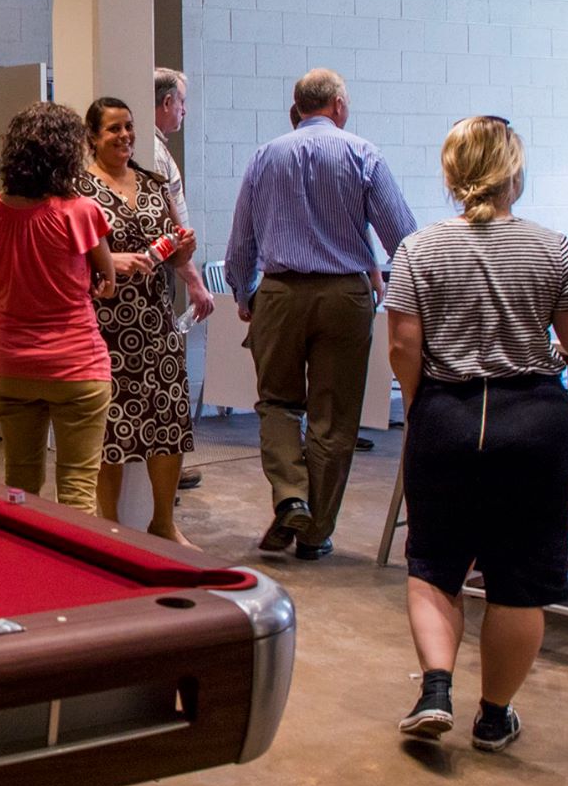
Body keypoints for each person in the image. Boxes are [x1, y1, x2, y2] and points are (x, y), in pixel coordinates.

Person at [386, 116, 568, 752]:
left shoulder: (419, 248)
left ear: (451, 174)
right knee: (520, 580)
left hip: (448, 417)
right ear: (515, 175)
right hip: (534, 423)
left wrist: (422, 407)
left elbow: (404, 345)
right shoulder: (554, 249)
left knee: (435, 565)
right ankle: (494, 715)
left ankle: (435, 688)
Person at [225, 68, 417, 560]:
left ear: (298, 108)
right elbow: (403, 237)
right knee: (334, 418)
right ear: (337, 105)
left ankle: (291, 495)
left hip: (280, 294)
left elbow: (241, 240)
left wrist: (245, 294)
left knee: (277, 403)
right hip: (344, 299)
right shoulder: (363, 153)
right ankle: (315, 532)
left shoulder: (264, 157)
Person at [0, 103, 118, 514]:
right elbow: (106, 281)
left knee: (19, 484)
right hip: (77, 366)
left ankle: (24, 570)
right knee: (76, 487)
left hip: (15, 366)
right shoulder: (80, 211)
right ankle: (77, 575)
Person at [76, 97, 198, 543]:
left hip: (156, 324)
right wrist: (112, 262)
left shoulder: (152, 183)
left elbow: (175, 249)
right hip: (104, 326)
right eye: (113, 129)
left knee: (168, 420)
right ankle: (110, 525)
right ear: (92, 137)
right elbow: (68, 259)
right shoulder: (78, 191)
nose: (124, 136)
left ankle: (164, 522)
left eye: (128, 127)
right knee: (111, 427)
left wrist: (184, 248)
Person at [151, 68, 215, 490]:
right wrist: (193, 278)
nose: (185, 111)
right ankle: (162, 478)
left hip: (167, 269)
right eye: (182, 102)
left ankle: (167, 471)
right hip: (161, 273)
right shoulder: (155, 155)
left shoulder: (159, 149)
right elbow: (166, 223)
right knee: (165, 379)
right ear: (167, 103)